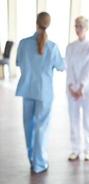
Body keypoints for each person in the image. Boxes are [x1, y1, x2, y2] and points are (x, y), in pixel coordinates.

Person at [16, 12, 65, 173]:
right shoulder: (52, 47)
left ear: (36, 22)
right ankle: (39, 163)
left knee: (28, 126)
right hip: (44, 92)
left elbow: (18, 62)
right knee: (41, 127)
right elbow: (61, 66)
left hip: (27, 89)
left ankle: (32, 158)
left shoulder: (23, 43)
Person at [65, 16, 89, 161]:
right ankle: (75, 149)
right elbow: (69, 68)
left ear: (86, 28)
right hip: (72, 89)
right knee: (74, 119)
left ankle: (88, 150)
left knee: (88, 120)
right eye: (76, 26)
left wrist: (82, 86)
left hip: (88, 90)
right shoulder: (70, 47)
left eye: (81, 26)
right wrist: (73, 86)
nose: (78, 29)